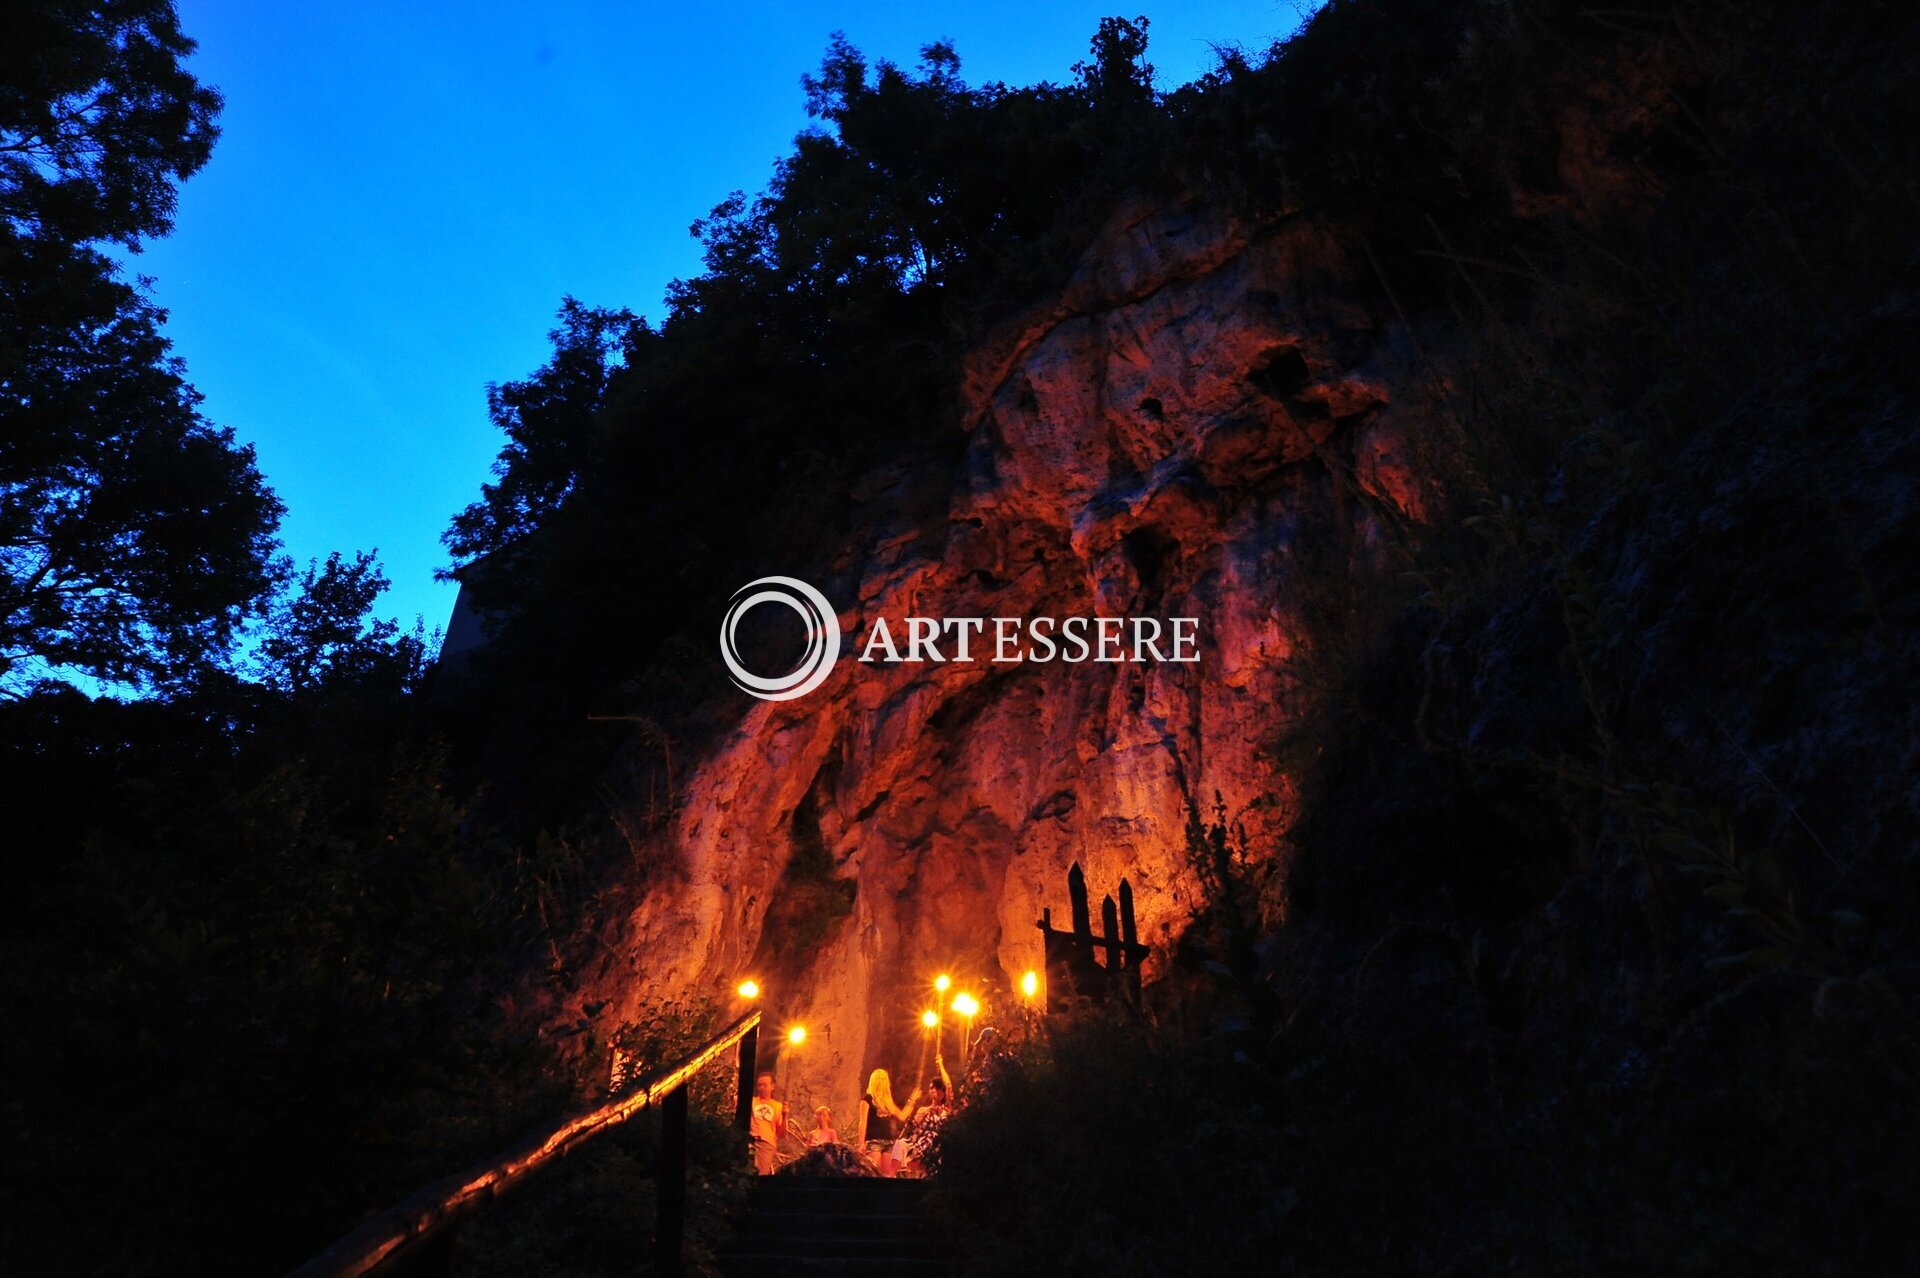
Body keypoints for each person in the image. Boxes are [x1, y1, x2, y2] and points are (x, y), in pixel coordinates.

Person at [903, 1052, 955, 1175]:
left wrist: (941, 1066)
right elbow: (913, 1129)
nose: (933, 1090)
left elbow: (948, 1086)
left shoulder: (946, 1109)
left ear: (942, 1092)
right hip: (922, 1149)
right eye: (931, 1088)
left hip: (940, 1149)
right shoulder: (923, 1110)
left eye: (936, 1088)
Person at [859, 1068, 918, 1176]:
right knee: (874, 1173)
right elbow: (862, 1122)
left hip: (889, 1142)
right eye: (879, 1079)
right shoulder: (867, 1099)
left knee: (886, 1175)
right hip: (874, 1141)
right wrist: (861, 1143)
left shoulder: (888, 1102)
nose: (881, 1082)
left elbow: (902, 1116)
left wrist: (912, 1100)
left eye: (883, 1079)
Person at [748, 1073, 789, 1175]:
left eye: (764, 1085)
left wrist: (785, 1116)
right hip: (750, 1140)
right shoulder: (752, 1101)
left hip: (766, 1143)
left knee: (761, 1174)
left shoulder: (778, 1106)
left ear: (772, 1086)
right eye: (759, 1085)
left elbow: (781, 1134)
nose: (761, 1088)